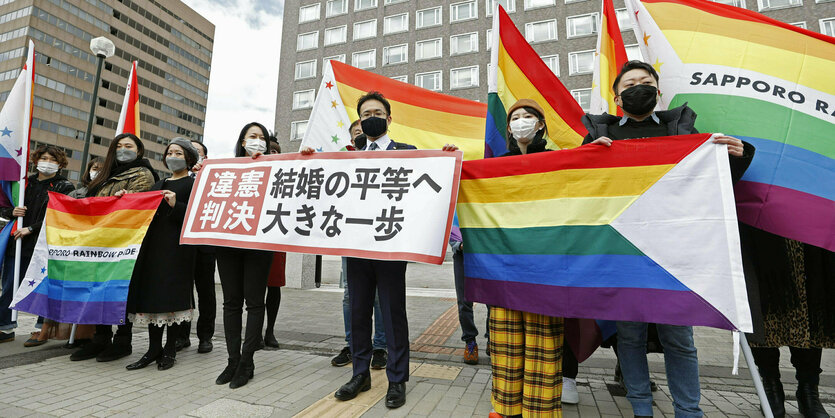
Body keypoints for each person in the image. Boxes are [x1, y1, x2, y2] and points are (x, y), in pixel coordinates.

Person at [581, 60, 754, 418]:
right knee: (629, 336)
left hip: (675, 253)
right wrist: (587, 155)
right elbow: (580, 188)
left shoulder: (682, 132)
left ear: (658, 92)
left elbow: (712, 182)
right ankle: (641, 408)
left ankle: (689, 411)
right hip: (623, 252)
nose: (638, 87)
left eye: (645, 81)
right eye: (630, 83)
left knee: (679, 338)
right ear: (617, 97)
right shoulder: (602, 136)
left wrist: (739, 155)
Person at [309, 92, 457, 409]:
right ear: (359, 122)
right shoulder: (348, 156)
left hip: (391, 248)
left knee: (392, 314)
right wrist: (309, 160)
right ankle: (360, 374)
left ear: (389, 119)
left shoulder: (409, 154)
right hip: (356, 247)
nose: (371, 117)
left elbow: (430, 191)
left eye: (377, 112)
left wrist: (446, 158)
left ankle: (397, 379)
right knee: (359, 313)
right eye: (365, 114)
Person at [487, 99, 565, 418]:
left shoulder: (557, 161)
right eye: (515, 117)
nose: (521, 121)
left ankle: (539, 411)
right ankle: (505, 408)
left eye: (528, 116)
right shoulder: (496, 164)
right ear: (508, 128)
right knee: (505, 339)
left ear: (541, 124)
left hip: (545, 264)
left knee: (543, 340)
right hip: (504, 264)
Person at [71, 133, 158, 362]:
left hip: (125, 244)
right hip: (100, 243)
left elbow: (139, 207)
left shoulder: (143, 174)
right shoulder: (104, 174)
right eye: (118, 145)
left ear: (139, 150)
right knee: (98, 289)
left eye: (128, 146)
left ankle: (123, 340)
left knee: (121, 291)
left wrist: (124, 199)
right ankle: (100, 338)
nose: (123, 149)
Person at [742, 225, 833, 418]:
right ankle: (771, 387)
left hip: (805, 222)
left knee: (810, 308)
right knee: (765, 313)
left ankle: (809, 391)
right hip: (763, 224)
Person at [125, 138, 199, 371]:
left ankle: (169, 349)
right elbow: (140, 208)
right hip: (153, 249)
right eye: (169, 152)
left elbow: (198, 214)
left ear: (188, 158)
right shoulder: (158, 184)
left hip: (179, 250)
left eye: (178, 152)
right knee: (153, 298)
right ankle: (153, 348)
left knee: (172, 299)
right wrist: (126, 198)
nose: (172, 156)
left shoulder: (194, 184)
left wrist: (176, 205)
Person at [214, 122, 274, 389]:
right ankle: (232, 359)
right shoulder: (225, 168)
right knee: (231, 303)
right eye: (253, 136)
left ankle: (247, 361)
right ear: (242, 141)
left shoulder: (277, 167)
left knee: (255, 303)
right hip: (227, 243)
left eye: (262, 137)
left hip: (259, 244)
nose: (257, 141)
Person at [0, 145, 75, 344]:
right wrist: (11, 213)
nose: (47, 162)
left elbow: (60, 216)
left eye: (52, 159)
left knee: (43, 287)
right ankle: (5, 328)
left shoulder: (64, 187)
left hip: (44, 246)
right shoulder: (23, 184)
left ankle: (42, 328)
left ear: (60, 164)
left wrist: (31, 229)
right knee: (9, 286)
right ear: (35, 161)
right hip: (16, 243)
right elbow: (4, 205)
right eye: (44, 158)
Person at [332, 120, 388, 370]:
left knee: (378, 296)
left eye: (365, 132)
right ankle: (353, 344)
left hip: (380, 236)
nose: (361, 136)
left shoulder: (389, 158)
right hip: (351, 238)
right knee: (349, 295)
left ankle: (380, 347)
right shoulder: (342, 162)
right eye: (357, 134)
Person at [180, 140, 216, 354]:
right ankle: (182, 336)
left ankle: (205, 336)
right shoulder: (178, 177)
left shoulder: (212, 176)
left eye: (197, 152)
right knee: (182, 291)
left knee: (206, 292)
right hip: (181, 244)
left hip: (204, 244)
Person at [262, 138, 284, 350]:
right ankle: (256, 331)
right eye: (269, 150)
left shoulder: (285, 176)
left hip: (276, 233)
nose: (273, 153)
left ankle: (270, 330)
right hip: (255, 237)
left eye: (276, 150)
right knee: (255, 287)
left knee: (274, 285)